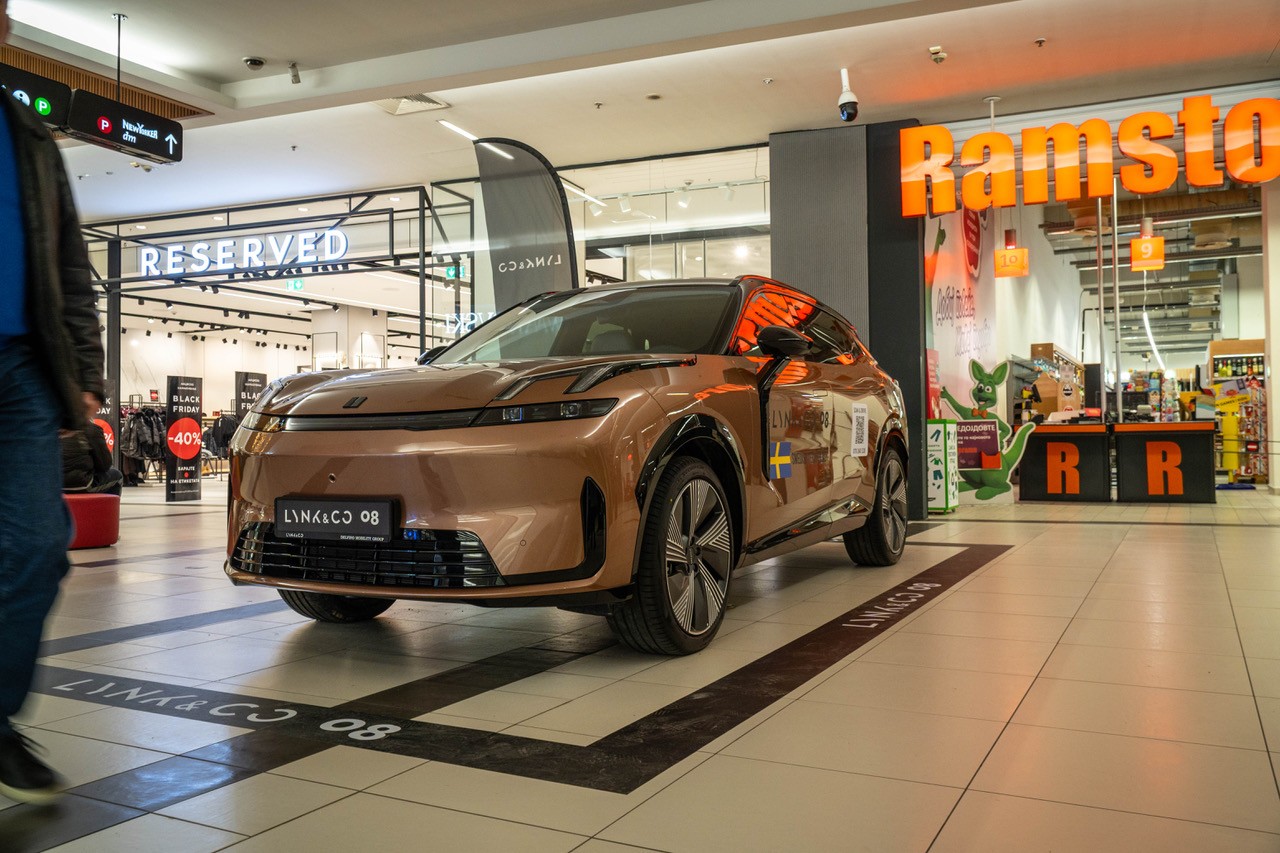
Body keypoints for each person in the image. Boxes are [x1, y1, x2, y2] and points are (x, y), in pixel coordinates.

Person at [0, 0, 105, 805]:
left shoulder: (27, 134)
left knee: (38, 546)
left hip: (23, 369)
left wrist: (87, 371)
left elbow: (70, 264)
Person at [61, 420, 123, 496]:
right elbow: (105, 465)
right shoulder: (91, 429)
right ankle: (105, 504)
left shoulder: (52, 429)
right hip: (82, 484)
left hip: (55, 485)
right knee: (117, 476)